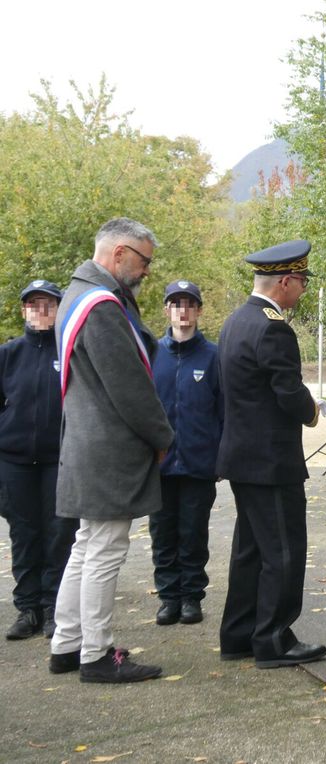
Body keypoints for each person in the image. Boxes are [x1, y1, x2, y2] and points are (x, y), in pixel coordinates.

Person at [50, 217, 174, 683]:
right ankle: (96, 655)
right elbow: (130, 388)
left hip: (87, 442)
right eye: (144, 261)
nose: (146, 272)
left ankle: (67, 643)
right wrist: (163, 436)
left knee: (87, 546)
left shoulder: (76, 295)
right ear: (119, 253)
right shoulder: (100, 306)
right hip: (109, 448)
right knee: (105, 549)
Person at [217, 240, 326, 669]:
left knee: (250, 551)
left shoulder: (235, 321)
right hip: (271, 461)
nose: (301, 290)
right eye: (300, 281)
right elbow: (287, 393)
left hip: (242, 458)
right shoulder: (273, 327)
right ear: (285, 280)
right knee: (283, 550)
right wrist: (312, 408)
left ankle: (239, 634)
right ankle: (274, 639)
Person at [0, 280, 77, 640]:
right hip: (14, 463)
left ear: (59, 310)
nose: (40, 311)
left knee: (58, 535)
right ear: (24, 311)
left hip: (57, 461)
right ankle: (27, 609)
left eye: (48, 304)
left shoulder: (70, 353)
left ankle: (52, 609)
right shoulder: (9, 354)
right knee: (24, 535)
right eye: (33, 304)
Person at [150, 280, 223, 627]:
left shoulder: (213, 356)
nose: (183, 311)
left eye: (190, 304)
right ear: (166, 310)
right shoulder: (151, 354)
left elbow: (224, 410)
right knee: (163, 534)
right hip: (159, 465)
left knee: (194, 534)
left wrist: (220, 455)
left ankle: (192, 596)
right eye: (176, 304)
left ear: (199, 310)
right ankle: (168, 597)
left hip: (198, 463)